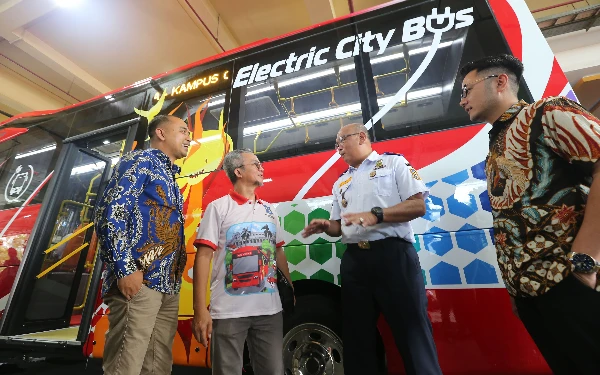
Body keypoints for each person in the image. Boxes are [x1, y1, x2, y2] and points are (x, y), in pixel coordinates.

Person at [458, 54, 600, 374]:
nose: (462, 99)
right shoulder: (496, 144)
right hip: (533, 298)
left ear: (500, 81)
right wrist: (515, 289)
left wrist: (587, 256)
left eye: (467, 89)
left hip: (570, 281)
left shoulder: (546, 113)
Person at [302, 123, 442, 375]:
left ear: (361, 137)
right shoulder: (341, 181)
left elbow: (417, 206)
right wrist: (327, 225)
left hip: (393, 256)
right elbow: (339, 227)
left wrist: (377, 215)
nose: (338, 148)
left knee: (412, 331)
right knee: (357, 338)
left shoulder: (393, 164)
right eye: (336, 145)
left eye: (341, 141)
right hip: (355, 262)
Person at [94, 114, 191, 375]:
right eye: (182, 130)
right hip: (141, 282)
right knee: (126, 365)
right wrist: (126, 269)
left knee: (158, 365)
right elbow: (110, 214)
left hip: (167, 286)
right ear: (160, 133)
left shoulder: (170, 177)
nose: (189, 136)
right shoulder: (140, 161)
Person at [192, 149, 293, 375]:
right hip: (228, 312)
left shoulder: (270, 210)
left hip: (270, 311)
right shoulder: (218, 208)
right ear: (238, 171)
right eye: (255, 164)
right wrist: (200, 309)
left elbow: (279, 253)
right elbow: (203, 257)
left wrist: (290, 288)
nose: (261, 167)